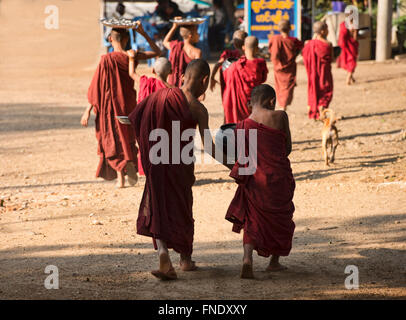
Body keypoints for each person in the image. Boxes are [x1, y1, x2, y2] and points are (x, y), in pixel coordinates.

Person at [129, 59, 231, 280]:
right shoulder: (198, 108)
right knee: (182, 209)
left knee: (158, 206)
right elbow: (210, 148)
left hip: (157, 163)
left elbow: (136, 118)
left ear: (183, 76)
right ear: (205, 80)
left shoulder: (159, 96)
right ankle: (185, 260)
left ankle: (163, 252)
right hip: (180, 166)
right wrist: (234, 165)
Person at [226, 84, 295, 279]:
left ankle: (247, 258)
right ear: (271, 101)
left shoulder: (241, 125)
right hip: (278, 179)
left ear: (250, 104)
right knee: (282, 218)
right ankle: (274, 262)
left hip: (254, 180)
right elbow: (287, 148)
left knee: (251, 220)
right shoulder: (280, 117)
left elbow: (241, 157)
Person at [81, 22, 161, 188]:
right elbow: (157, 52)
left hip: (109, 107)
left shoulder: (105, 60)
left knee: (113, 137)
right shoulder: (131, 55)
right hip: (129, 103)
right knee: (128, 137)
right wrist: (143, 33)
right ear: (126, 39)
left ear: (110, 39)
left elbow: (95, 87)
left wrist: (87, 110)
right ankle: (129, 165)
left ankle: (121, 177)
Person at [127, 56, 172, 176]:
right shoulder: (172, 90)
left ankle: (150, 177)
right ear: (171, 72)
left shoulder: (145, 82)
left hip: (146, 127)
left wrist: (132, 58)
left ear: (152, 70)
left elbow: (131, 73)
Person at [222, 36, 268, 124]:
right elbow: (263, 79)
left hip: (238, 104)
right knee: (252, 126)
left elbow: (225, 78)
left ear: (243, 47)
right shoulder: (261, 63)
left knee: (240, 127)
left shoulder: (234, 66)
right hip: (254, 101)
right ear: (257, 49)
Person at [268, 20, 303, 111]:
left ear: (278, 29)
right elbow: (301, 47)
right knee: (287, 87)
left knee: (279, 86)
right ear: (290, 28)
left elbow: (271, 51)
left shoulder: (274, 39)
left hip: (278, 67)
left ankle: (281, 104)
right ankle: (283, 105)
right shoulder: (293, 41)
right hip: (289, 67)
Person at [302, 21, 334, 120]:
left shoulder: (308, 44)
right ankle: (322, 107)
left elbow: (305, 58)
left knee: (314, 88)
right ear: (323, 31)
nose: (328, 31)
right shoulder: (328, 44)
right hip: (325, 72)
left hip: (312, 73)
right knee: (325, 88)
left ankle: (314, 109)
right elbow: (331, 58)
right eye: (327, 29)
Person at [163, 21, 202, 87]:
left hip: (173, 85)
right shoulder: (197, 52)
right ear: (190, 36)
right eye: (197, 33)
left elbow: (165, 42)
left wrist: (174, 26)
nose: (199, 35)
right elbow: (198, 73)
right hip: (188, 86)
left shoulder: (175, 46)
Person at [210, 29, 247, 94]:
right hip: (244, 90)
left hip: (229, 90)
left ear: (234, 43)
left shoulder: (228, 54)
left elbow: (217, 64)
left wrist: (212, 77)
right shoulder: (248, 57)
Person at [337, 17, 359, 85]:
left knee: (350, 63)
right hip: (349, 48)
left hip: (349, 47)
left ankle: (351, 78)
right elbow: (354, 38)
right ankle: (348, 80)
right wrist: (355, 32)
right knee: (352, 63)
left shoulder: (345, 27)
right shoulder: (347, 28)